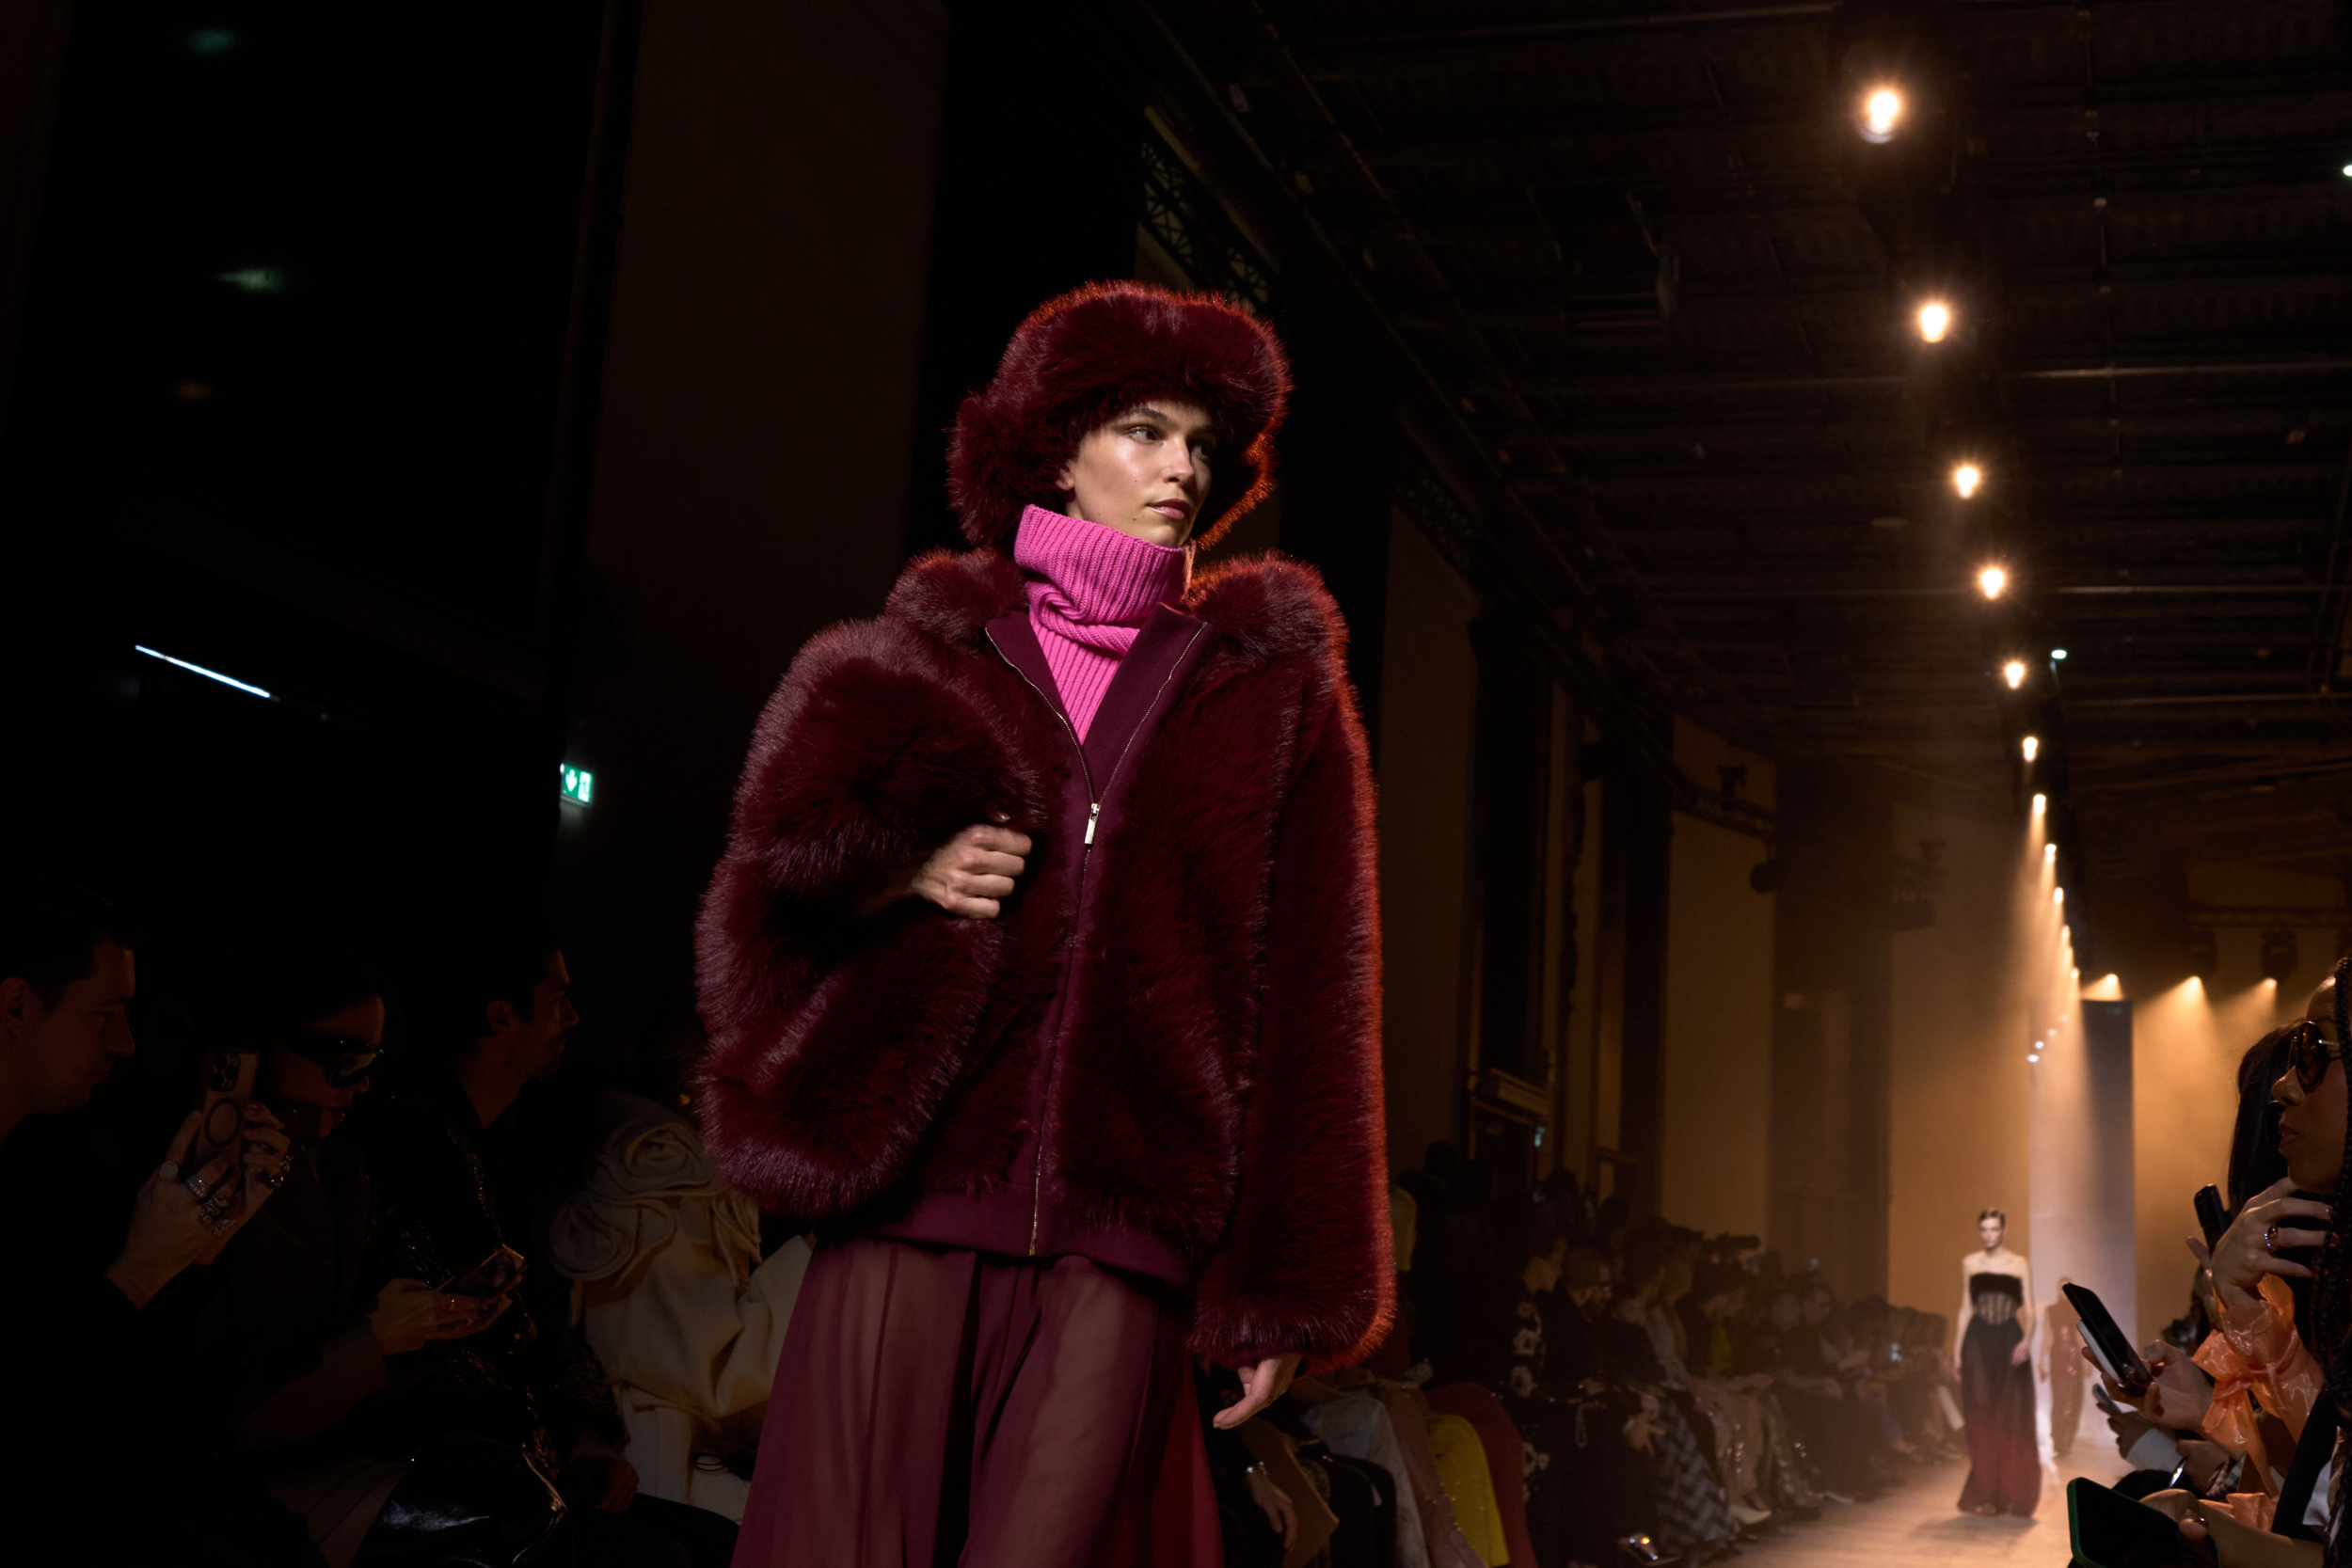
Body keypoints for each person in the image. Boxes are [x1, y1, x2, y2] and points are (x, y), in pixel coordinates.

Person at [697, 280, 1392, 1566]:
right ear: (1058, 452)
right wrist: (897, 873)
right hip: (912, 1205)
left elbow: (1313, 998)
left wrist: (1282, 1284)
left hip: (1123, 1232)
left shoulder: (1273, 692)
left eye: (1199, 440)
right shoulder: (927, 653)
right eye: (1143, 429)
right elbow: (760, 906)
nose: (1182, 464)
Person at [351, 925, 737, 1567]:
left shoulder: (510, 1142)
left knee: (715, 1542)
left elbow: (527, 1324)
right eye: (557, 997)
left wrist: (581, 1434)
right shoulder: (418, 1139)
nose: (574, 1017)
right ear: (502, 1016)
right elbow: (478, 1333)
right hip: (443, 1471)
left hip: (529, 1460)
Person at [0, 876, 300, 1563]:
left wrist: (198, 1242)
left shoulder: (49, 1162)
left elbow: (121, 1371)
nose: (126, 1042)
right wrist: (139, 1268)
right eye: (106, 1013)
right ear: (18, 1003)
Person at [1953, 1206, 2038, 1517]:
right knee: (1981, 1418)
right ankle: (1987, 1493)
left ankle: (2011, 1493)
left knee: (2010, 1417)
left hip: (2009, 1341)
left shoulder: (2019, 1264)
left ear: (2003, 1231)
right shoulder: (1970, 1263)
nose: (1988, 1234)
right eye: (1983, 1229)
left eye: (1993, 1229)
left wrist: (2027, 1341)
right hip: (1977, 1342)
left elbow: (2029, 1312)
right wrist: (1956, 1352)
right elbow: (1965, 1308)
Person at [2044, 1277, 2087, 1458]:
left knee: (2075, 1399)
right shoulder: (2051, 1310)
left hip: (2074, 1358)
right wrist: (2040, 1361)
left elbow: (2080, 1337)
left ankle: (2067, 1441)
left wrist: (2086, 1362)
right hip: (2058, 1359)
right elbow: (2047, 1336)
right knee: (2060, 1399)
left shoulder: (2077, 1309)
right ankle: (2058, 1441)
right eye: (2061, 1287)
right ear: (2057, 1290)